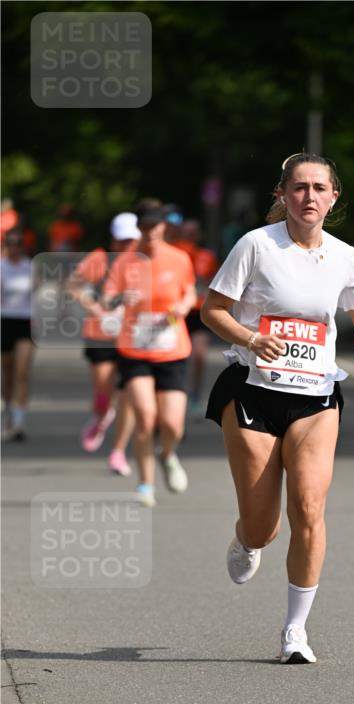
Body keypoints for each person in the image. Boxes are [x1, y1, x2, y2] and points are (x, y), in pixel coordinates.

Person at [201, 152, 354, 664]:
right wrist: (250, 337)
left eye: (318, 188)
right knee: (264, 525)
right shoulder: (256, 246)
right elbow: (212, 310)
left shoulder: (344, 254)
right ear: (282, 194)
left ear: (333, 197)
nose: (309, 196)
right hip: (253, 390)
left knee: (307, 507)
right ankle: (246, 539)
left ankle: (295, 633)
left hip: (316, 396)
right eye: (298, 187)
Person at [103, 199, 196, 506]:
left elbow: (190, 291)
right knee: (145, 416)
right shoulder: (125, 261)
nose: (149, 232)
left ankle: (167, 454)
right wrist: (119, 299)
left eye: (154, 226)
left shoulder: (179, 258)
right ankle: (145, 483)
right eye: (143, 227)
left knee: (172, 425)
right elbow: (106, 300)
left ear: (163, 226)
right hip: (135, 350)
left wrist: (183, 306)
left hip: (172, 350)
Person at [66, 212, 139, 474]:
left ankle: (118, 451)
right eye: (123, 240)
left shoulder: (142, 261)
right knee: (104, 390)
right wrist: (95, 307)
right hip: (100, 335)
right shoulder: (99, 259)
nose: (127, 245)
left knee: (128, 392)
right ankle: (101, 415)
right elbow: (73, 285)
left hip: (132, 336)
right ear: (113, 240)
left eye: (132, 239)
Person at [170, 218, 219, 418]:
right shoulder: (175, 254)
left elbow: (217, 283)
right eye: (187, 232)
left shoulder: (207, 257)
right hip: (178, 312)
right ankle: (175, 393)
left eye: (194, 232)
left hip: (199, 312)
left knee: (199, 354)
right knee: (177, 356)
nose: (190, 236)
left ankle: (195, 395)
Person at [1, 228, 34, 441]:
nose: (14, 247)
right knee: (7, 373)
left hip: (25, 321)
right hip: (4, 320)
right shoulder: (1, 267)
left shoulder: (30, 266)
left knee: (22, 372)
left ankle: (19, 423)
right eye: (11, 243)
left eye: (18, 243)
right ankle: (8, 407)